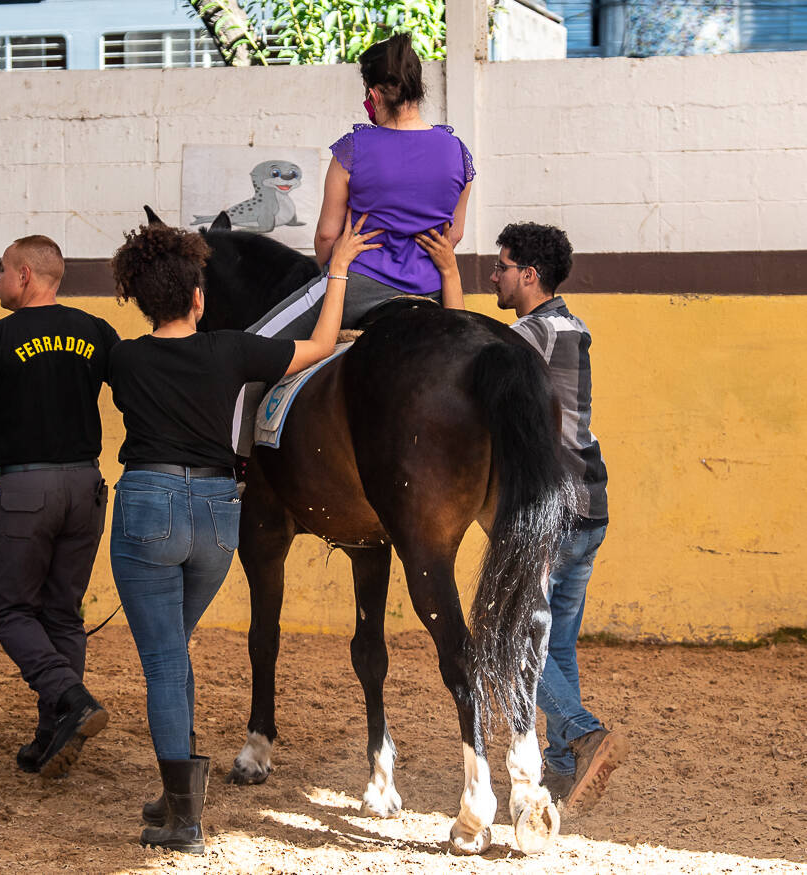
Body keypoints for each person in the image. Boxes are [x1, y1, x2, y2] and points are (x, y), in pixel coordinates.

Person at [107, 212, 380, 854]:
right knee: (174, 645)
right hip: (216, 516)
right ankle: (178, 793)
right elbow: (319, 345)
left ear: (142, 302)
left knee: (166, 660)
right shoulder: (233, 350)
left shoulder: (122, 356)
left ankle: (184, 814)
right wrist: (335, 270)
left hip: (150, 507)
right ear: (200, 298)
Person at [0, 235, 120, 780]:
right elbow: (138, 396)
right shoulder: (96, 331)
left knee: (8, 610)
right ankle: (53, 734)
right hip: (86, 486)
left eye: (1, 271)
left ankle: (71, 698)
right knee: (63, 613)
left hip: (26, 489)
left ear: (25, 275)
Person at [491, 221, 626, 815]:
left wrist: (444, 277)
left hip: (554, 511)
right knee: (558, 645)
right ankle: (563, 768)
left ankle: (582, 731)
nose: (492, 276)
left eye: (501, 266)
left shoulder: (533, 334)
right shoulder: (571, 326)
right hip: (591, 506)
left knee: (507, 641)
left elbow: (472, 358)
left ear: (529, 274)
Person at [248, 32, 474, 343]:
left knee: (252, 344)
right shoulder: (458, 152)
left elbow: (327, 235)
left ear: (374, 95)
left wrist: (332, 266)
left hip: (357, 283)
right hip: (432, 289)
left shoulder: (352, 149)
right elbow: (455, 234)